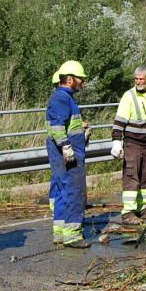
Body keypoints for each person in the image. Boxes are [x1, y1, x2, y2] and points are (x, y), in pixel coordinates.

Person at [111, 66, 146, 225]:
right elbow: (119, 120)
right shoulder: (128, 96)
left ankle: (143, 208)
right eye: (136, 79)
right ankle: (128, 212)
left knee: (145, 178)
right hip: (132, 144)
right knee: (132, 177)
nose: (138, 82)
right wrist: (116, 140)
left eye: (141, 79)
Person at [46, 60, 91, 248]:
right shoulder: (62, 98)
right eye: (81, 78)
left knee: (61, 191)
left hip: (63, 153)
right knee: (74, 191)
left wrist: (81, 128)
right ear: (70, 79)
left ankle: (60, 233)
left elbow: (63, 124)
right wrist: (66, 147)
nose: (83, 82)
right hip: (68, 154)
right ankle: (72, 235)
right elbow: (57, 126)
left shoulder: (64, 98)